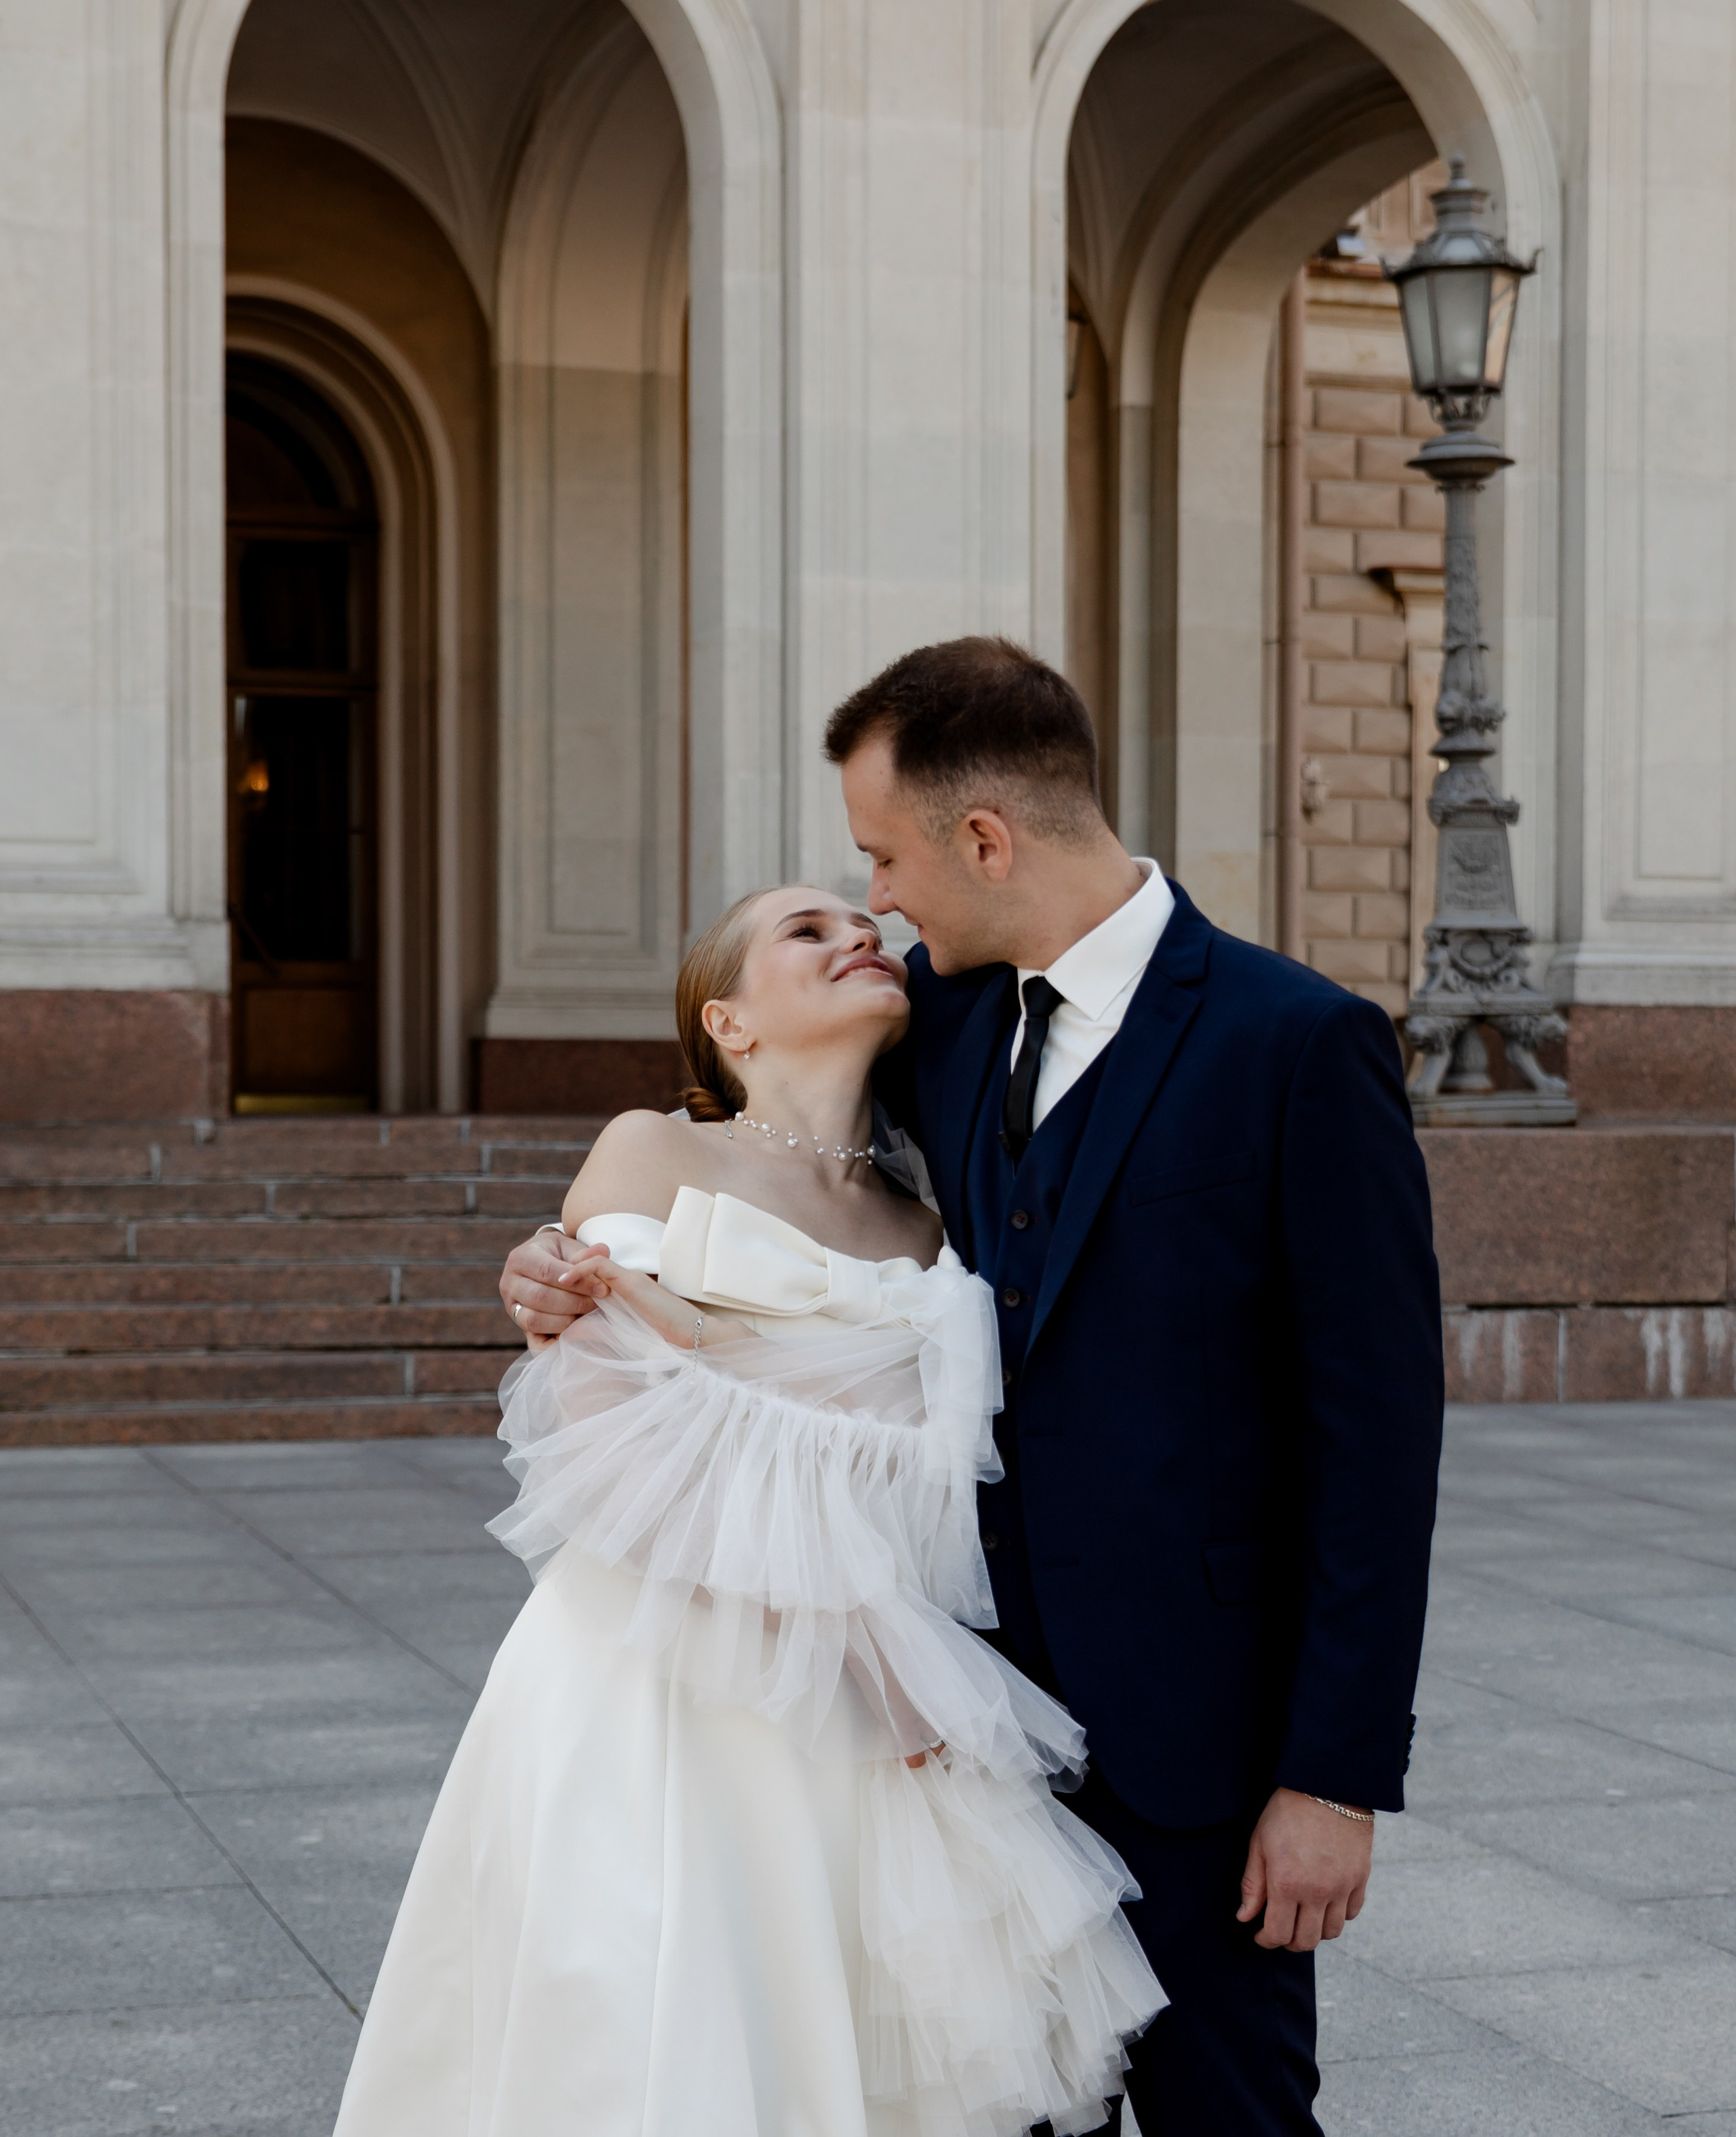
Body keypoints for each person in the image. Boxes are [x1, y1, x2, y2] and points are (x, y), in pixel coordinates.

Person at [501, 637, 1444, 2136]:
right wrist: (553, 1272)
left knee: (1234, 2117)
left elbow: (1376, 1446)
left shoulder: (1294, 1044)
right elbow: (746, 1167)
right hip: (933, 1730)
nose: (878, 899)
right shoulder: (930, 1024)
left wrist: (1332, 1774)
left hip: (1190, 1747)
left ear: (984, 838)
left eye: (882, 857)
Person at [336, 880, 1164, 2137]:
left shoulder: (937, 1225)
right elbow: (614, 1435)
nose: (859, 938)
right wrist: (876, 1663)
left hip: (892, 1709)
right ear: (728, 1022)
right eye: (809, 930)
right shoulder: (655, 1151)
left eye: (864, 924)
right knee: (649, 2028)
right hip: (675, 1683)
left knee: (858, 2050)